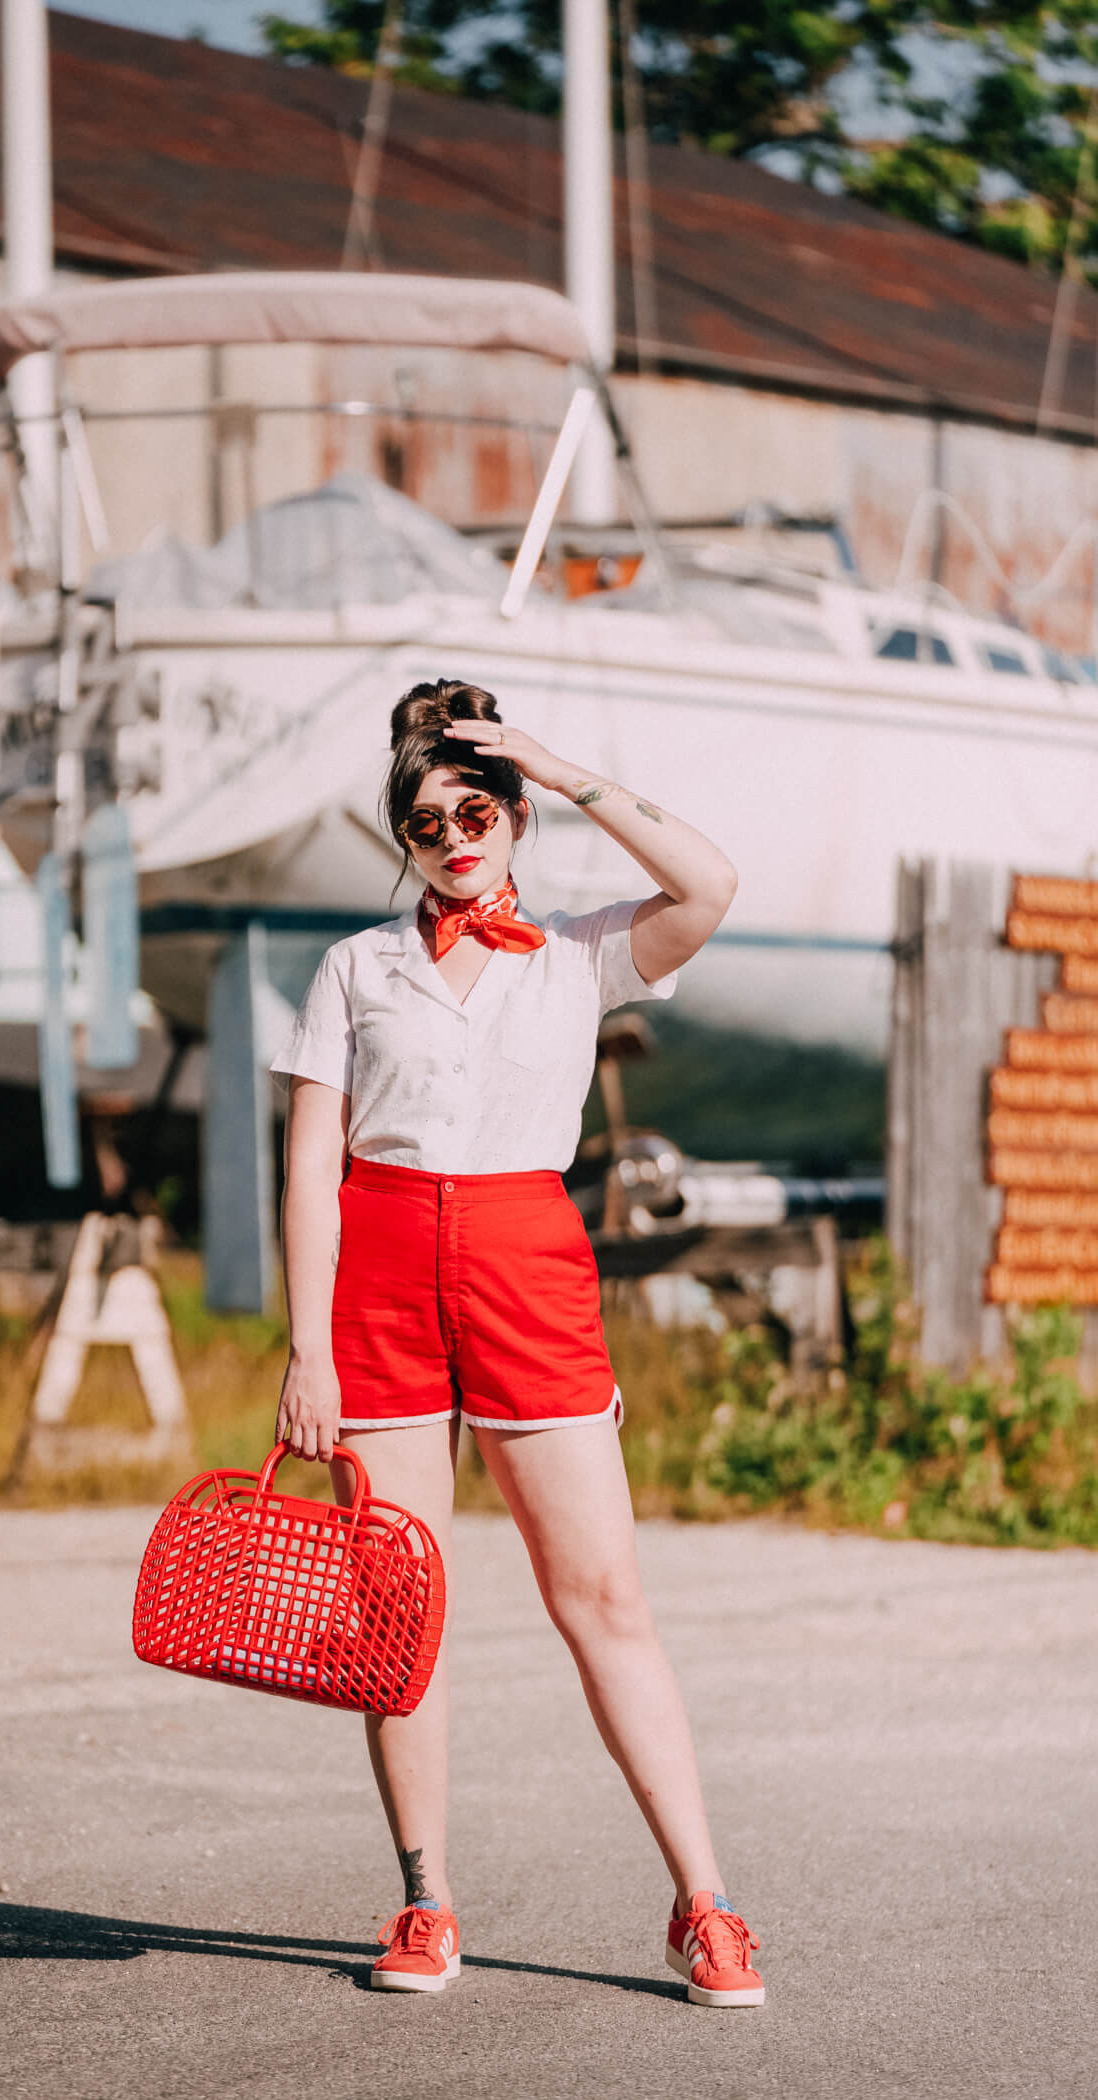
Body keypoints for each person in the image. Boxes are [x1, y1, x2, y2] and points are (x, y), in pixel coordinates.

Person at [268, 679, 763, 2008]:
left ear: (519, 814)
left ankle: (706, 1905)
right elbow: (313, 1163)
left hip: (524, 1266)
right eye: (426, 823)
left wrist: (555, 757)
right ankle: (427, 1903)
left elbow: (710, 882)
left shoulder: (587, 953)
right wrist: (305, 1349)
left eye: (478, 808)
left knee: (602, 1601)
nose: (454, 837)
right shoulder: (354, 968)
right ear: (406, 841)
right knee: (398, 1607)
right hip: (374, 1275)